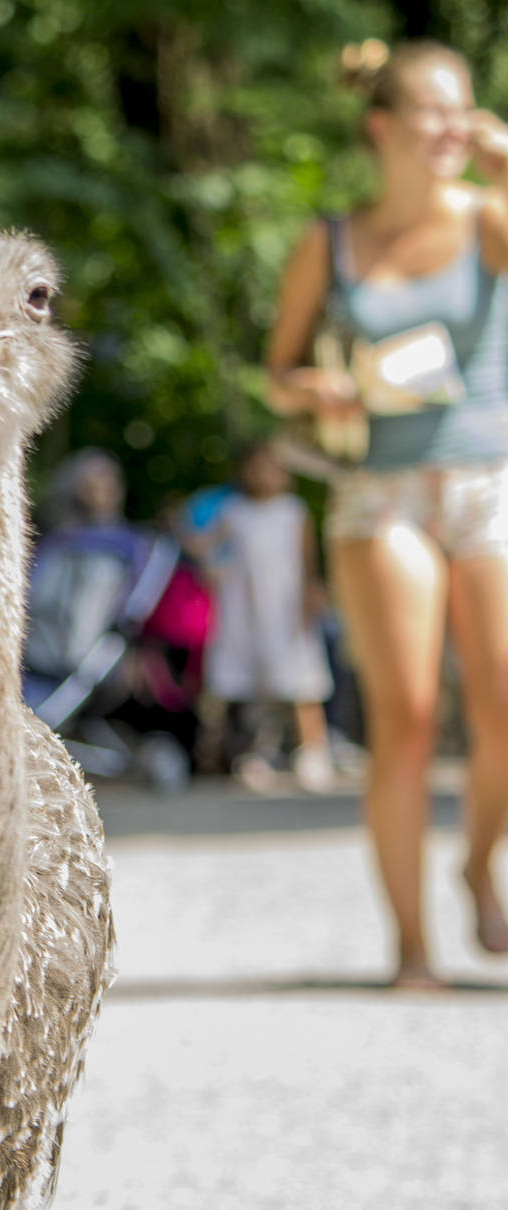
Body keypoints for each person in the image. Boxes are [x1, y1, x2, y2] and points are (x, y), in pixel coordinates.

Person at [265, 36, 508, 987]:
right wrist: (312, 387)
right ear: (381, 125)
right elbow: (277, 372)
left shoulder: (487, 217)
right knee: (404, 716)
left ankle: (477, 864)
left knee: (502, 706)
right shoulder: (329, 241)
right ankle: (410, 947)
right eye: (431, 110)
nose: (452, 125)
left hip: (487, 482)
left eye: (462, 107)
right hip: (379, 493)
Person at [190, 441, 335, 792]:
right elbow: (207, 548)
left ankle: (313, 750)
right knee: (245, 683)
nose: (262, 475)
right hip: (245, 612)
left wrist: (311, 595)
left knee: (301, 680)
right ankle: (249, 753)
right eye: (254, 467)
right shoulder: (233, 512)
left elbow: (307, 561)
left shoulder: (294, 511)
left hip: (286, 610)